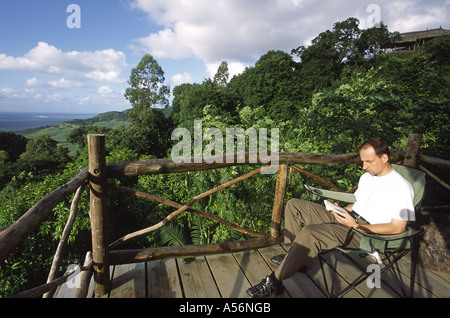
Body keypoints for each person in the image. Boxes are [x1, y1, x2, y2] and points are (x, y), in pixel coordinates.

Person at [246, 138, 415, 298]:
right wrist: (340, 211)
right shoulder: (368, 177)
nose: (364, 166)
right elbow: (358, 204)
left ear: (384, 157)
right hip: (349, 219)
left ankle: (275, 281)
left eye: (369, 162)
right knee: (294, 205)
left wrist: (356, 226)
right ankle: (295, 257)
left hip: (365, 233)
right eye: (362, 161)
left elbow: (397, 227)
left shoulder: (400, 187)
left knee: (311, 232)